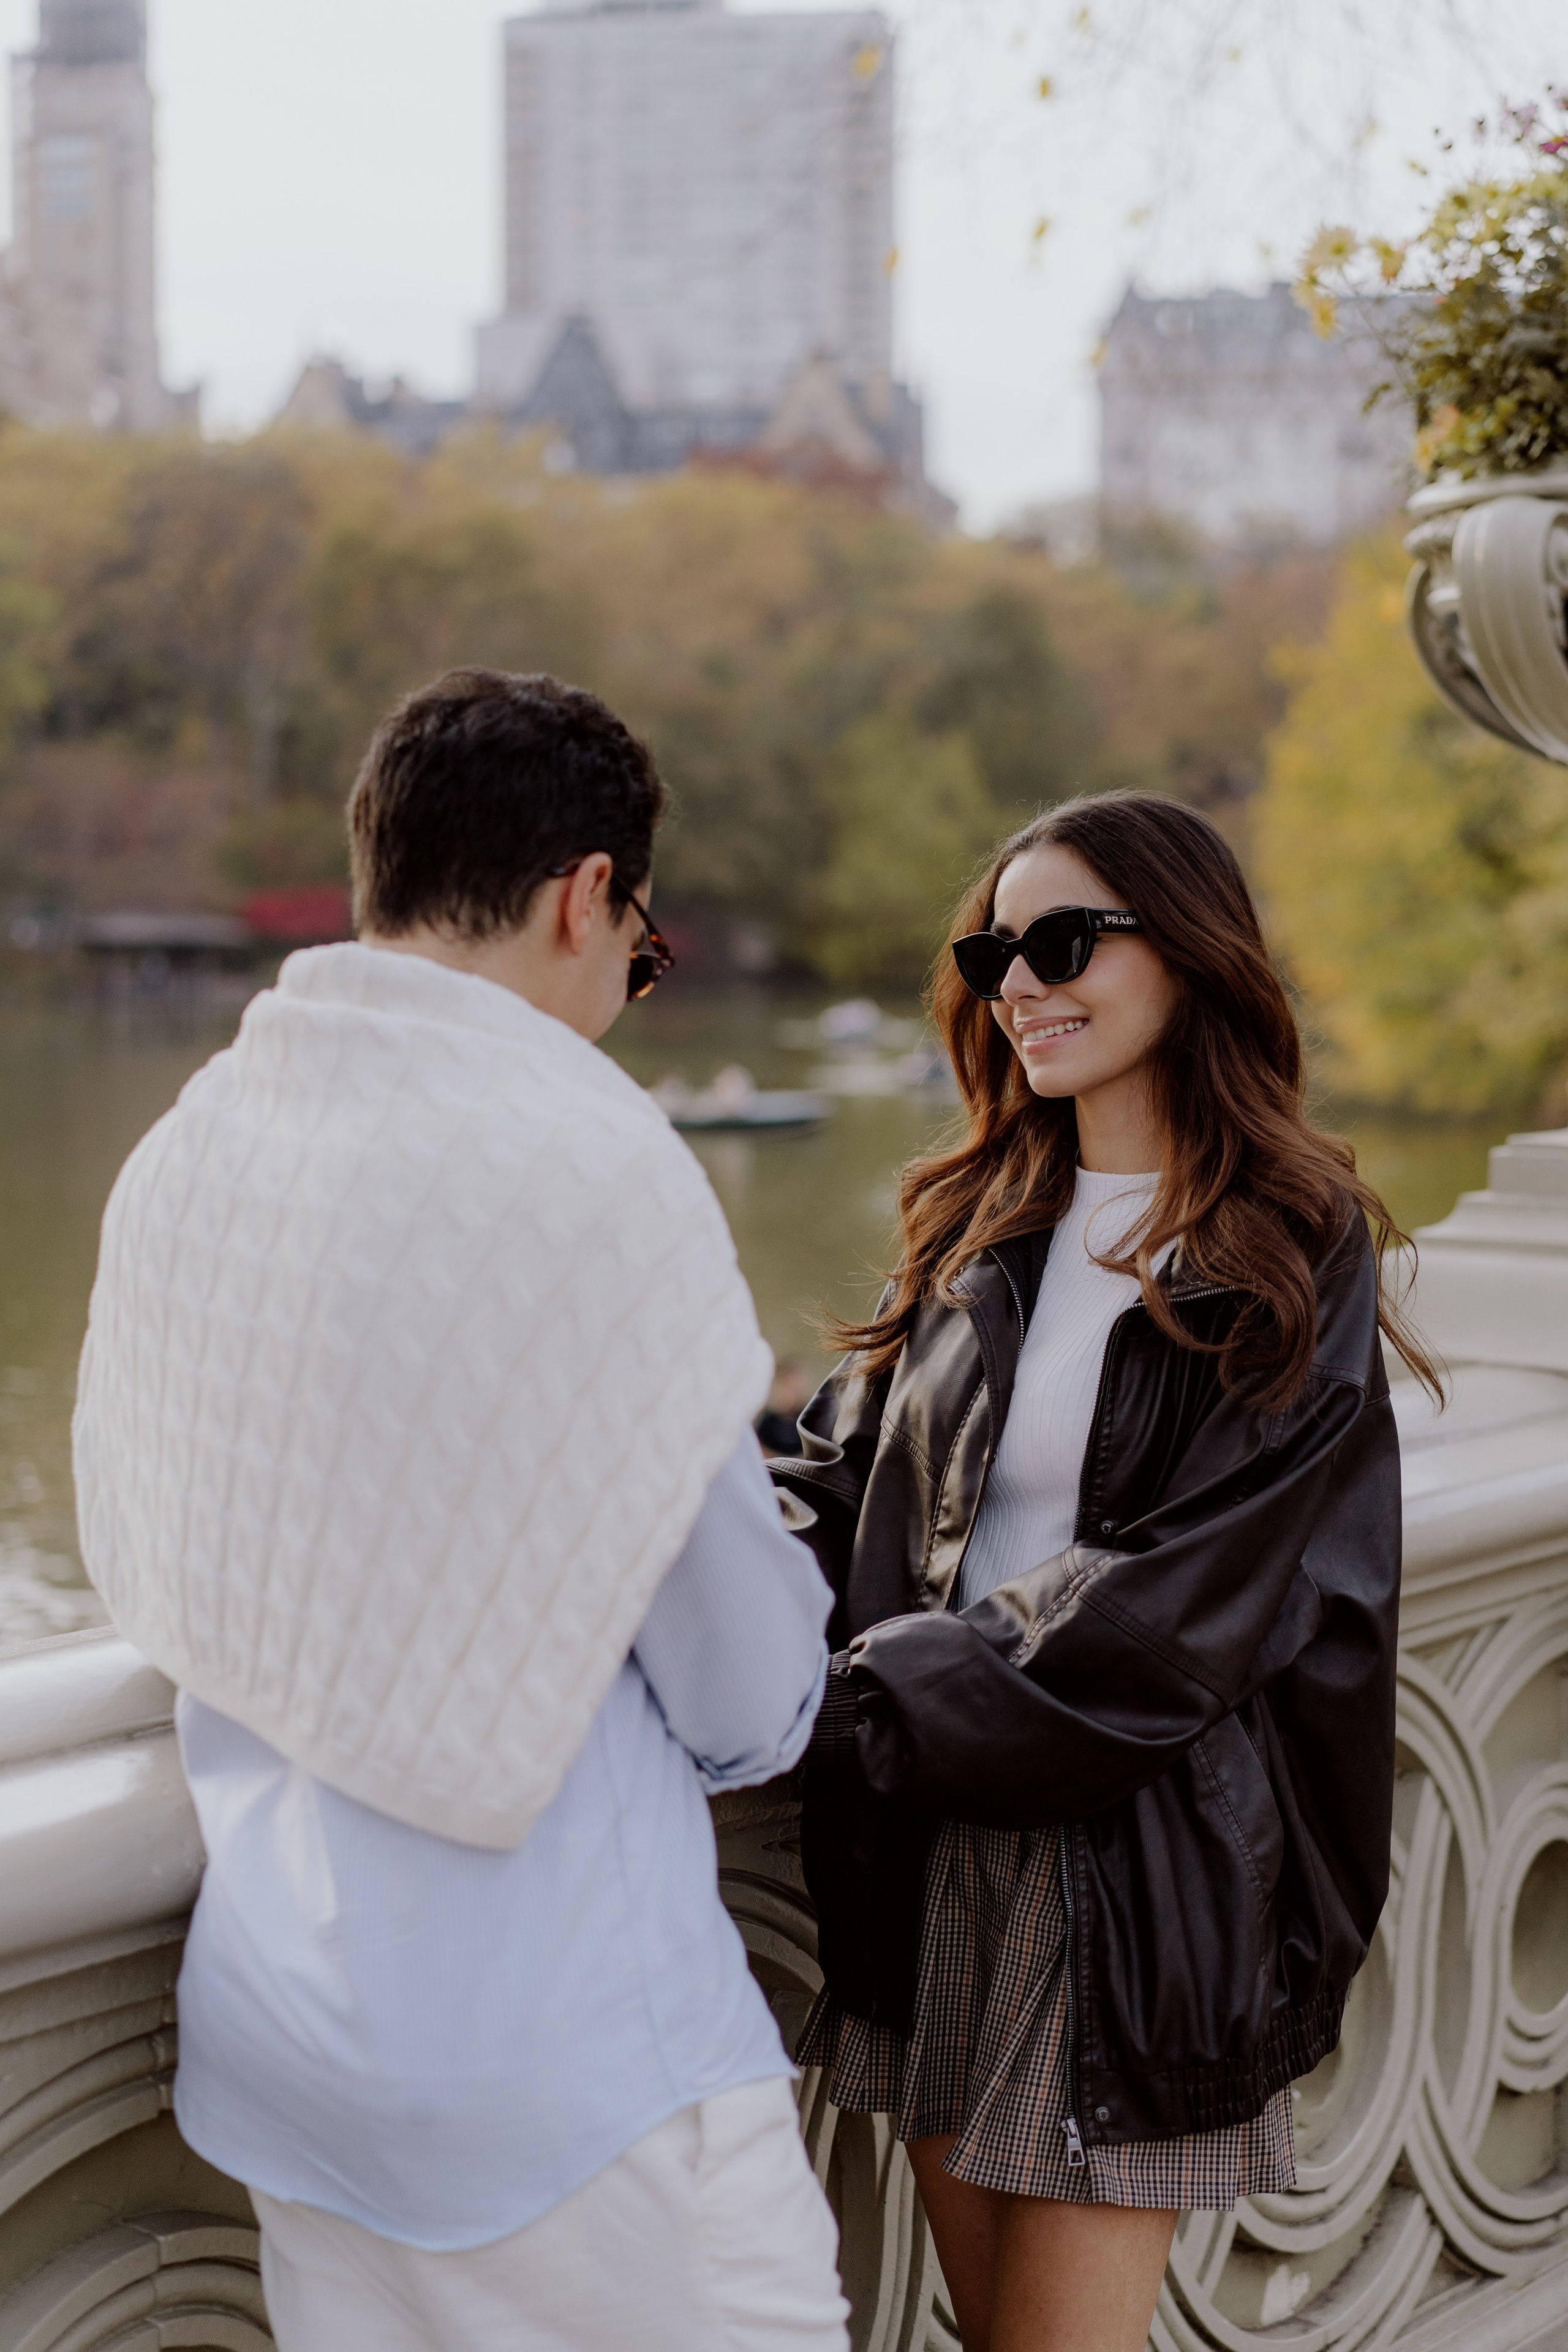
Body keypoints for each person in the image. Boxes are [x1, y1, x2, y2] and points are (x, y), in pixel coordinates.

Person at [73, 668, 850, 2352]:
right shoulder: (585, 1167)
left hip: (286, 2034)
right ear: (588, 897)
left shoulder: (189, 1153)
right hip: (571, 2063)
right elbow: (750, 1694)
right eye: (642, 955)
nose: (629, 996)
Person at [768, 792, 1438, 2352]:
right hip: (926, 1843)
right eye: (993, 948)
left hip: (1135, 1873)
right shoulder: (976, 1224)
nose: (1018, 981)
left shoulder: (1290, 1245)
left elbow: (1176, 1608)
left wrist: (850, 1705)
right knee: (975, 2323)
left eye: (1061, 940)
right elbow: (838, 1482)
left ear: (1188, 957)